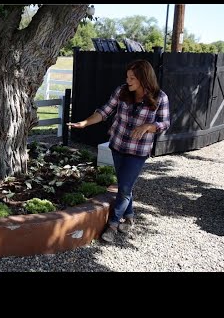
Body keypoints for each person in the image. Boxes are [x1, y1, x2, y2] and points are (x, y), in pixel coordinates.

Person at [68, 59, 170, 243]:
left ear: (144, 78)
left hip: (138, 151)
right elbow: (104, 111)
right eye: (127, 76)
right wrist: (84, 123)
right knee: (125, 184)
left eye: (132, 78)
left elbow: (165, 123)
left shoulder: (160, 97)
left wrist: (149, 126)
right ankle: (129, 217)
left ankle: (113, 225)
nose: (128, 80)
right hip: (117, 145)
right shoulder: (122, 91)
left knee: (124, 188)